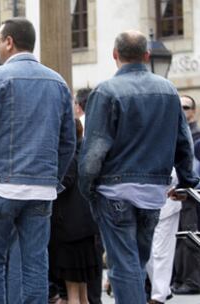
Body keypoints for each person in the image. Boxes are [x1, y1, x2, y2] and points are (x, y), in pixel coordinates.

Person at [78, 30, 199, 304]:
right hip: (153, 191)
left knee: (126, 265)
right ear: (147, 56)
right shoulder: (168, 91)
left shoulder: (106, 91)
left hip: (114, 190)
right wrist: (187, 181)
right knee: (137, 259)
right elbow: (183, 142)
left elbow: (94, 151)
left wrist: (87, 188)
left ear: (114, 55)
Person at [0, 17, 76, 303]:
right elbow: (68, 141)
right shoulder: (58, 82)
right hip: (41, 188)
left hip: (0, 184)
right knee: (36, 265)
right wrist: (53, 178)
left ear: (9, 42)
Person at [49, 119, 101, 304]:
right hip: (85, 227)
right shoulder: (85, 154)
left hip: (69, 230)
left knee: (73, 295)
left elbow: (63, 184)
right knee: (83, 294)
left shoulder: (67, 158)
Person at [171, 95, 200, 295]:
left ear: (193, 111)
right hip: (175, 192)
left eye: (186, 107)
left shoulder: (196, 136)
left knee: (189, 235)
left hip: (191, 192)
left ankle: (192, 280)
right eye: (178, 106)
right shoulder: (173, 133)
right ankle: (179, 278)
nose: (182, 110)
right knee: (178, 237)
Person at [146, 170, 181, 304]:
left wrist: (184, 184)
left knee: (161, 252)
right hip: (143, 198)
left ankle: (159, 296)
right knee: (148, 251)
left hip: (167, 197)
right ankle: (162, 290)